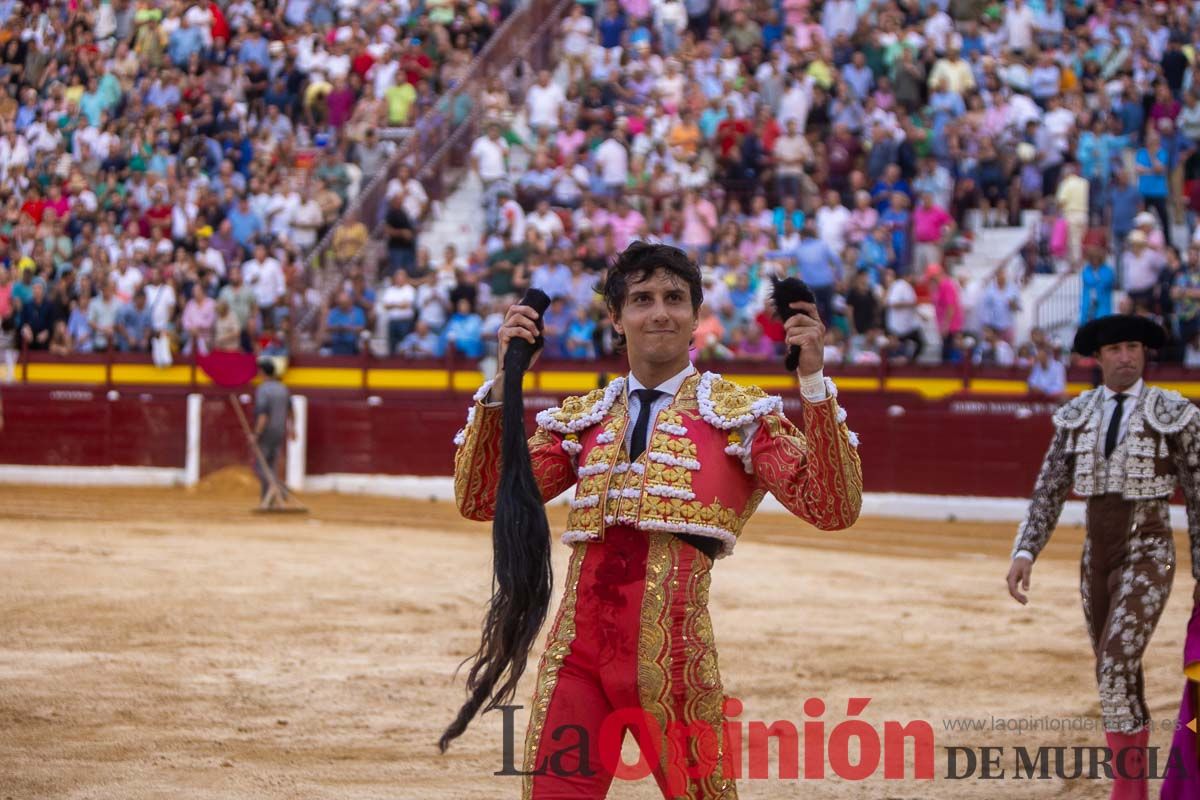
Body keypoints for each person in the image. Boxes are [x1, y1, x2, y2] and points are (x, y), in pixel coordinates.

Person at [451, 242, 863, 797]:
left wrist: (812, 383)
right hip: (575, 661)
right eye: (642, 299)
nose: (661, 311)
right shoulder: (586, 419)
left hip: (674, 661)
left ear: (696, 315)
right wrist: (505, 382)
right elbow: (482, 499)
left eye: (675, 297)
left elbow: (832, 508)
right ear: (616, 319)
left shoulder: (739, 416)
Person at [1006, 314, 1200, 800]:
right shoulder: (1078, 414)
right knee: (1114, 672)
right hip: (1096, 558)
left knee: (1115, 663)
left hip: (1149, 550)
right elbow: (1049, 488)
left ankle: (1125, 791)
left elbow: (1199, 492)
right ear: (1098, 357)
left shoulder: (1174, 413)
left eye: (1134, 347)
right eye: (1115, 349)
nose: (1126, 356)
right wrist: (1026, 549)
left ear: (1145, 353)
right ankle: (1133, 785)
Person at [253, 359, 292, 508]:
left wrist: (256, 433)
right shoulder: (283, 388)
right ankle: (267, 501)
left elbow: (263, 414)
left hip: (267, 432)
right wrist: (292, 429)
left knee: (260, 466)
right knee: (271, 465)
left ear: (262, 372)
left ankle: (279, 488)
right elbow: (290, 410)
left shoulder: (263, 390)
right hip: (280, 430)